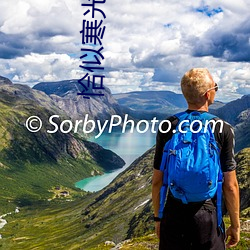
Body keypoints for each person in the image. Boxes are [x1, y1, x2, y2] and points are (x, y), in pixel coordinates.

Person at [152, 68, 240, 250]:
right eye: (216, 87)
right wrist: (235, 225)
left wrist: (158, 218)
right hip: (207, 215)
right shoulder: (222, 129)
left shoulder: (168, 125)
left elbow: (157, 181)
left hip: (174, 212)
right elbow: (230, 185)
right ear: (208, 94)